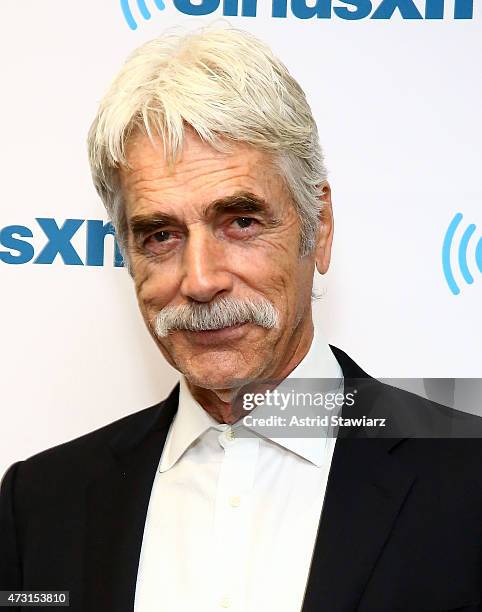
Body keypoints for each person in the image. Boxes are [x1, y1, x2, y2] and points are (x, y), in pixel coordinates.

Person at [1, 26, 481, 612]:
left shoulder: (466, 477)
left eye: (241, 222)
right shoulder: (40, 502)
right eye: (160, 234)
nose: (200, 279)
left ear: (318, 227)